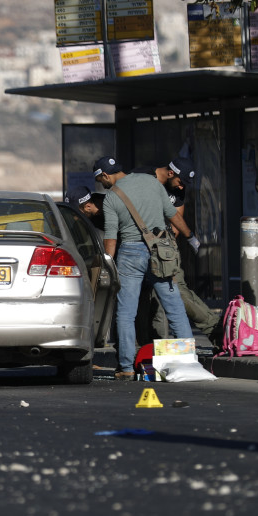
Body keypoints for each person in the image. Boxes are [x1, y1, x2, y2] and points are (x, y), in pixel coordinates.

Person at [100, 156, 196, 379]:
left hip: (129, 254)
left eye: (100, 179)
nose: (101, 183)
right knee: (175, 308)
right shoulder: (152, 182)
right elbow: (172, 215)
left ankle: (125, 367)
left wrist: (108, 267)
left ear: (106, 175)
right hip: (160, 252)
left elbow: (111, 239)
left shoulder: (111, 198)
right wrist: (191, 237)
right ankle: (188, 361)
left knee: (125, 314)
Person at [142, 157, 222, 347]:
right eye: (180, 182)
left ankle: (216, 330)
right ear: (171, 173)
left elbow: (177, 219)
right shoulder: (144, 177)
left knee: (177, 291)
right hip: (140, 245)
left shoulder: (178, 188)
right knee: (149, 299)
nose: (180, 188)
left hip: (163, 249)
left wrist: (168, 247)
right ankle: (153, 345)